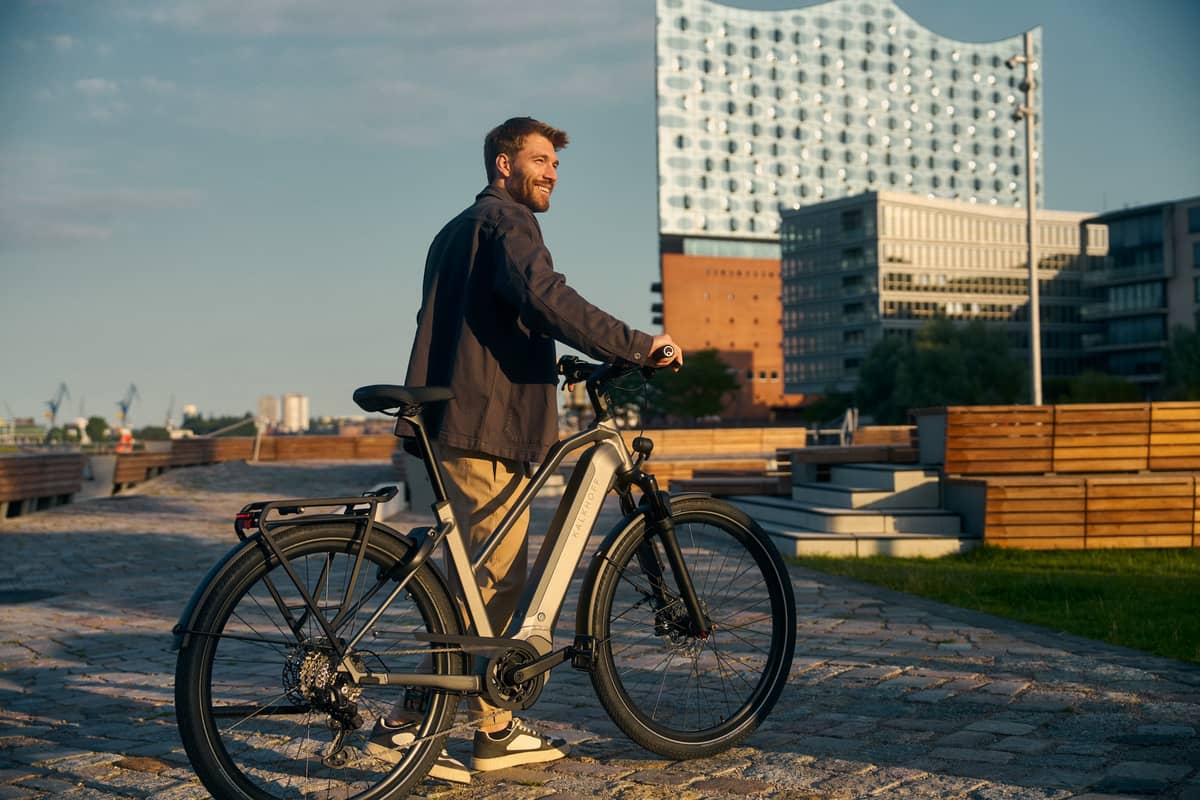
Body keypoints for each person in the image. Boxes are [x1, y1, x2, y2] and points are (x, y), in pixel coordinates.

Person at [367, 117, 682, 782]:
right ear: (504, 165)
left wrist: (554, 364)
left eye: (557, 165)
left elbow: (490, 319)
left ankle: (460, 725)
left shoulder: (454, 230)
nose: (552, 174)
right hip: (482, 425)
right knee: (494, 582)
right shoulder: (507, 222)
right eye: (541, 160)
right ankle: (436, 727)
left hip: (458, 416)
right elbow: (544, 296)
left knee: (475, 583)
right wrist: (634, 343)